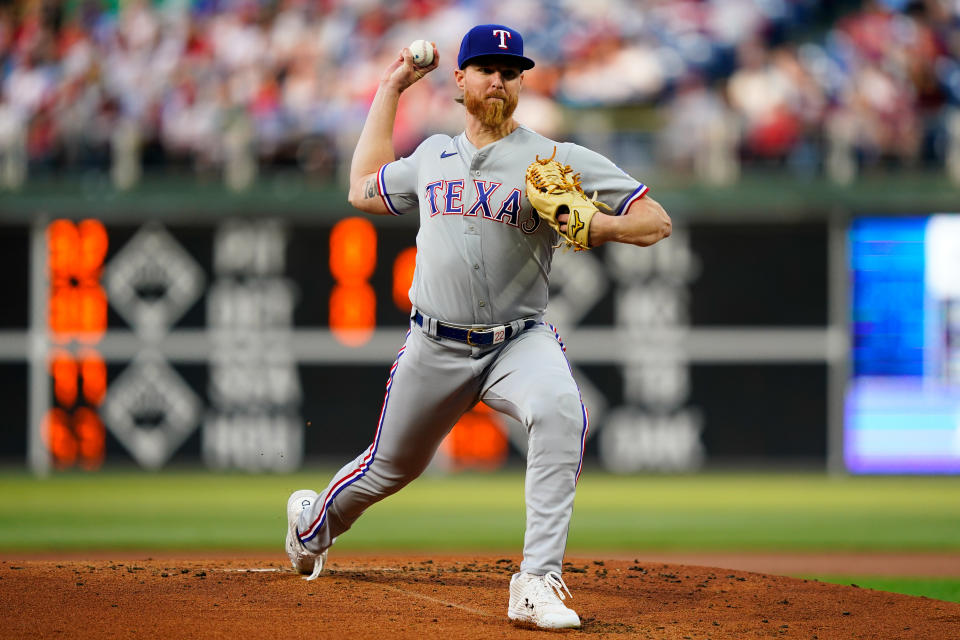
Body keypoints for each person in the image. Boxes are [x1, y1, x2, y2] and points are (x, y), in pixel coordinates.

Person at [285, 23, 672, 629]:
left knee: (562, 411)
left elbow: (655, 221)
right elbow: (362, 190)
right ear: (460, 79)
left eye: (511, 70)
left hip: (519, 340)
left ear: (521, 83)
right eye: (487, 68)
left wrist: (597, 225)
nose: (499, 79)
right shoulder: (434, 155)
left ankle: (537, 581)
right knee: (390, 469)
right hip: (434, 343)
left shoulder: (553, 159)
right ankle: (311, 525)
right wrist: (391, 87)